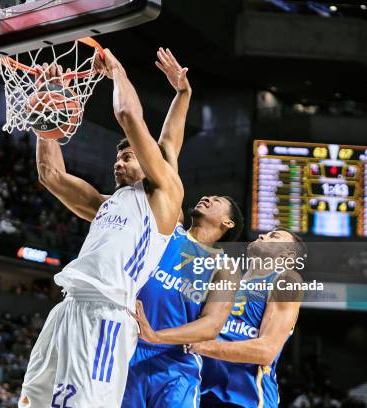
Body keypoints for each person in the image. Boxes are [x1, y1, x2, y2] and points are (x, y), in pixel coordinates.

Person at [19, 48, 184, 408]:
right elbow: (50, 175)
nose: (117, 163)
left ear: (149, 161)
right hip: (66, 309)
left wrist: (117, 68)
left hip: (107, 314)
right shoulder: (103, 203)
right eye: (116, 158)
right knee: (34, 403)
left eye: (126, 157)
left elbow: (130, 116)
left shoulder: (163, 197)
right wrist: (47, 112)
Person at [120, 48, 243, 408]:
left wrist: (158, 336)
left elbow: (211, 325)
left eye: (218, 200)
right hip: (126, 351)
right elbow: (168, 149)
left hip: (173, 364)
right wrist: (183, 94)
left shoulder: (223, 267)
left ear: (228, 223)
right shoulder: (168, 226)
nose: (207, 198)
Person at [192, 228, 306, 408]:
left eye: (274, 237)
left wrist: (200, 346)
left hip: (246, 399)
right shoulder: (229, 281)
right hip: (202, 391)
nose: (262, 236)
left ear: (288, 257)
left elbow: (266, 351)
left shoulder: (286, 280)